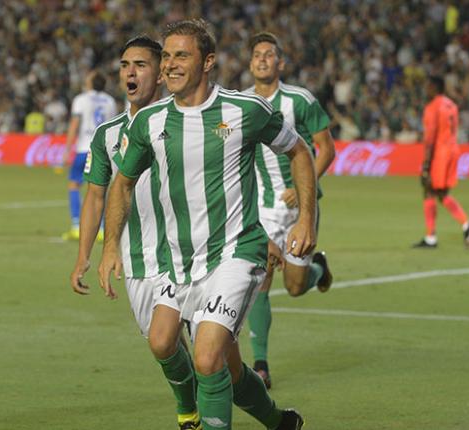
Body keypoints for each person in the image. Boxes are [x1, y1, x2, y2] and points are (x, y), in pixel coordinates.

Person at [98, 19, 315, 430]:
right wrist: (110, 245)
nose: (170, 65)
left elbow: (299, 152)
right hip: (178, 261)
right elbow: (121, 184)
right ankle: (276, 421)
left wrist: (306, 218)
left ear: (208, 61)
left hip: (236, 252)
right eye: (166, 56)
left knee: (207, 356)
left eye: (182, 55)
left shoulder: (244, 111)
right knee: (176, 347)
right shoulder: (151, 122)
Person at [69, 36, 200, 430]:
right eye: (125, 64)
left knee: (216, 355)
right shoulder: (107, 134)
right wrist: (84, 255)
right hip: (139, 258)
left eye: (140, 64)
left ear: (160, 73)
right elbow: (95, 196)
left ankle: (200, 415)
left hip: (195, 253)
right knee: (163, 346)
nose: (130, 71)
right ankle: (204, 406)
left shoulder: (186, 120)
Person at [244, 31, 336, 388]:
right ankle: (262, 366)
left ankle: (318, 269)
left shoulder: (300, 99)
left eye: (269, 55)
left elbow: (325, 149)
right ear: (251, 64)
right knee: (260, 282)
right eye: (257, 55)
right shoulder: (241, 104)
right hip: (260, 209)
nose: (263, 60)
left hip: (300, 210)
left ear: (280, 63)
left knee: (295, 287)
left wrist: (304, 185)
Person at [413, 76, 469, 249]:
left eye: (428, 87)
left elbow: (430, 138)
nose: (426, 90)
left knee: (429, 190)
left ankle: (432, 236)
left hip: (440, 154)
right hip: (453, 151)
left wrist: (426, 164)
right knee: (439, 192)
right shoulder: (451, 104)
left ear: (434, 87)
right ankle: (463, 225)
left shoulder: (433, 107)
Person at [62, 71, 117, 240]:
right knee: (99, 190)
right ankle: (100, 229)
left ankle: (77, 225)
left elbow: (75, 123)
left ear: (91, 83)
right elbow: (113, 126)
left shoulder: (81, 99)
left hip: (83, 148)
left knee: (74, 185)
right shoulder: (110, 101)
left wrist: (67, 149)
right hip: (102, 150)